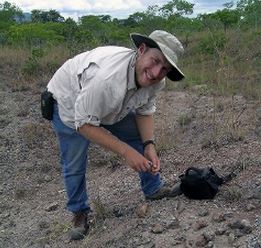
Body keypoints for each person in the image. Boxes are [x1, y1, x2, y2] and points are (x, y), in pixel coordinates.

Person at [47, 30, 185, 240]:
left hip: (107, 104)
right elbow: (83, 124)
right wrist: (127, 152)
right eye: (155, 61)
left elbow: (144, 110)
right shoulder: (107, 79)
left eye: (164, 68)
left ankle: (153, 188)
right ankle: (79, 212)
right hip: (67, 101)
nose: (156, 72)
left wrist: (149, 144)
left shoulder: (156, 81)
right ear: (141, 50)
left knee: (138, 135)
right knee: (74, 162)